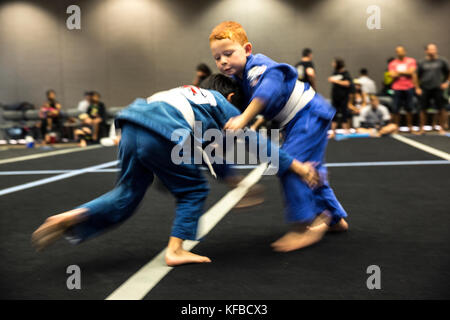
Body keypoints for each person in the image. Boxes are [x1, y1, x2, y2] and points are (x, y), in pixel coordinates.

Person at [31, 74, 320, 267]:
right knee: (193, 189)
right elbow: (254, 140)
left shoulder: (189, 95)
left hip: (132, 123)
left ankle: (71, 216)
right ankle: (175, 250)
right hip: (164, 129)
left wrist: (235, 182)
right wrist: (297, 166)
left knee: (126, 194)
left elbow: (212, 153)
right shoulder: (221, 103)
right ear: (231, 97)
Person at [209, 21, 348, 252]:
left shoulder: (258, 67)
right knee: (307, 168)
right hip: (301, 119)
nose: (222, 61)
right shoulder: (241, 78)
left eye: (228, 53)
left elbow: (268, 91)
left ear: (247, 49)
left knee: (288, 165)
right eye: (217, 58)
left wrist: (243, 119)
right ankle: (334, 218)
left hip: (308, 115)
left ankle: (304, 226)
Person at [416, 43, 450, 135]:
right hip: (425, 88)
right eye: (430, 49)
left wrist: (446, 83)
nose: (432, 51)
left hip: (438, 88)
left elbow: (448, 72)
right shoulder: (422, 62)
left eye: (434, 49)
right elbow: (416, 75)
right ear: (426, 51)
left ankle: (442, 128)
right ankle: (422, 128)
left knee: (442, 108)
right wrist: (417, 87)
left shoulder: (442, 61)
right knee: (423, 109)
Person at [388, 46, 417, 133]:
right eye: (398, 51)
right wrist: (405, 72)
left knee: (409, 108)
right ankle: (396, 127)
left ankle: (410, 127)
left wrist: (398, 72)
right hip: (397, 88)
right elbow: (392, 75)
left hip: (409, 87)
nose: (400, 53)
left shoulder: (411, 61)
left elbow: (411, 72)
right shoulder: (392, 63)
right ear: (396, 53)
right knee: (396, 108)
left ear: (405, 52)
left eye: (401, 51)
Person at [328, 57, 352, 137]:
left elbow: (347, 83)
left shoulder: (346, 73)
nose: (332, 64)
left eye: (334, 63)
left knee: (344, 114)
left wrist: (335, 81)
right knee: (334, 114)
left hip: (343, 98)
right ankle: (333, 132)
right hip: (335, 97)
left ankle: (346, 131)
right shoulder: (335, 73)